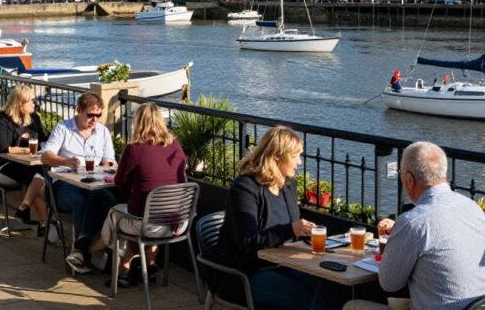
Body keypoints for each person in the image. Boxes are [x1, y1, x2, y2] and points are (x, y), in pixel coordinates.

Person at [343, 142, 485, 310]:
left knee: (352, 306)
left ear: (409, 179)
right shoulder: (472, 207)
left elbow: (389, 284)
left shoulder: (414, 222)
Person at [210, 126, 327, 310]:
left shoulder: (287, 184)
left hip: (284, 263)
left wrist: (307, 232)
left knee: (329, 288)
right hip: (248, 272)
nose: (300, 162)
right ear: (276, 156)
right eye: (295, 156)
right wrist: (291, 229)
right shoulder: (245, 188)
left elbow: (292, 231)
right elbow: (247, 241)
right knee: (309, 301)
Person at [88, 103, 186, 285]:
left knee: (118, 214)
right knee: (141, 216)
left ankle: (99, 255)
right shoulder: (176, 147)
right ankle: (148, 263)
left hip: (146, 223)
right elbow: (182, 183)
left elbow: (120, 183)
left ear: (137, 123)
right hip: (176, 222)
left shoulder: (134, 149)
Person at [40, 92, 117, 274]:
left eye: (98, 116)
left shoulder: (103, 131)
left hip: (92, 182)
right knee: (79, 201)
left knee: (109, 201)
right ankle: (87, 250)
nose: (94, 120)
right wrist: (64, 162)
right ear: (79, 110)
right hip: (64, 183)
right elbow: (45, 155)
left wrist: (107, 166)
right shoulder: (63, 128)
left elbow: (109, 160)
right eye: (90, 115)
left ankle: (81, 248)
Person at [0, 85, 48, 229]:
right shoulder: (2, 119)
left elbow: (44, 140)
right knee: (37, 175)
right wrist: (25, 150)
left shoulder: (34, 118)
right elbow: (2, 148)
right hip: (4, 165)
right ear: (20, 103)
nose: (35, 103)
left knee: (37, 174)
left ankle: (28, 211)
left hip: (29, 165)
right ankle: (44, 222)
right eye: (31, 101)